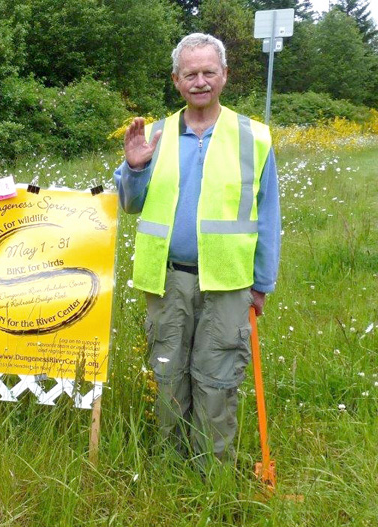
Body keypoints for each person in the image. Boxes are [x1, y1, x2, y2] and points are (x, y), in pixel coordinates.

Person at [113, 34, 280, 463]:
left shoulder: (254, 138)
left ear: (225, 75)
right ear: (176, 79)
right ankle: (170, 466)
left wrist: (261, 284)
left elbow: (268, 216)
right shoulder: (154, 134)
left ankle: (212, 473)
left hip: (228, 283)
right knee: (168, 374)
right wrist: (134, 168)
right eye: (191, 73)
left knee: (219, 379)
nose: (200, 81)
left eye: (209, 72)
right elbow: (129, 204)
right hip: (168, 279)